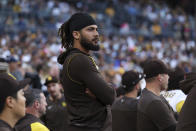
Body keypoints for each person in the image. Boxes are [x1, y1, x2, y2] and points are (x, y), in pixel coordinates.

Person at [57, 12, 116, 131]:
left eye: (96, 30)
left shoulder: (78, 58)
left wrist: (101, 91)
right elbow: (109, 96)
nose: (96, 34)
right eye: (90, 30)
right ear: (76, 34)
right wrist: (105, 90)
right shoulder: (79, 60)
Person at [137, 59, 177, 131]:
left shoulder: (150, 95)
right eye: (167, 74)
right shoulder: (153, 102)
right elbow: (173, 128)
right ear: (160, 78)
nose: (168, 77)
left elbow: (175, 116)